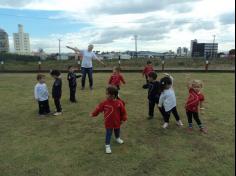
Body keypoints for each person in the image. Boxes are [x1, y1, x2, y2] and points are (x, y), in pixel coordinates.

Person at [90, 86, 127, 154]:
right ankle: (107, 145)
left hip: (117, 122)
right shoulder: (104, 103)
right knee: (108, 133)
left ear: (113, 95)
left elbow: (123, 112)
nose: (106, 95)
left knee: (117, 130)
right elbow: (98, 109)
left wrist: (123, 119)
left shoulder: (119, 103)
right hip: (108, 122)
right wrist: (93, 114)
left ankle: (117, 138)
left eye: (107, 94)